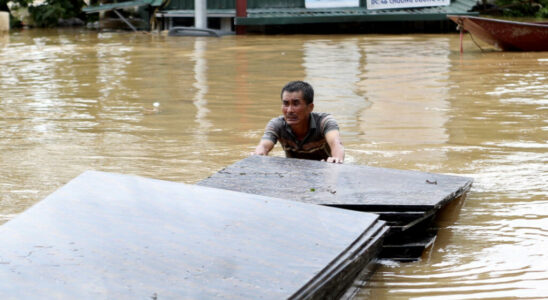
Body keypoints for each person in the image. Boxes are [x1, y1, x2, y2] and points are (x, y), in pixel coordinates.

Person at [254, 81, 345, 163]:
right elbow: (264, 146)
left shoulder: (324, 122)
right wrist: (259, 154)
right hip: (293, 170)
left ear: (310, 107)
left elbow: (336, 143)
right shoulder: (277, 124)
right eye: (286, 104)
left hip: (323, 168)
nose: (289, 110)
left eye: (296, 104)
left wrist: (336, 159)